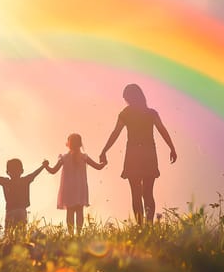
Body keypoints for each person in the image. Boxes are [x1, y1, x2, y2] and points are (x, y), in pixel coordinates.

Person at [100, 83, 177, 225]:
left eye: (126, 98)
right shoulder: (151, 113)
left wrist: (104, 150)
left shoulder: (126, 113)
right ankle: (148, 226)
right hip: (148, 154)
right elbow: (162, 130)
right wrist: (172, 148)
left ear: (130, 98)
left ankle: (141, 227)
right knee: (148, 193)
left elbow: (115, 133)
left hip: (133, 155)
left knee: (136, 193)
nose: (126, 101)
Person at [45, 133, 106, 235]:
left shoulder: (64, 158)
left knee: (70, 212)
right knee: (79, 211)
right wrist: (104, 162)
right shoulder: (84, 157)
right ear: (80, 144)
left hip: (68, 188)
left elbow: (53, 171)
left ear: (68, 144)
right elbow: (98, 167)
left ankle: (71, 234)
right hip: (80, 188)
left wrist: (46, 165)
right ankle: (78, 233)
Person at [0, 158, 45, 232]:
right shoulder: (25, 180)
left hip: (10, 211)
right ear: (22, 171)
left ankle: (9, 243)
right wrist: (43, 166)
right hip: (21, 210)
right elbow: (35, 174)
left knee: (8, 233)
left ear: (7, 172)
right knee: (22, 232)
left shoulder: (6, 182)